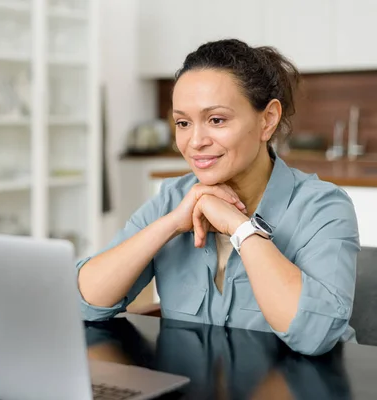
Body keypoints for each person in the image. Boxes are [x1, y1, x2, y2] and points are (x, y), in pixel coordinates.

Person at [76, 39, 360, 356]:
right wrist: (171, 224)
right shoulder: (173, 199)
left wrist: (240, 228)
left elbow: (315, 336)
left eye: (217, 120)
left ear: (267, 119)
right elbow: (83, 304)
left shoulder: (324, 207)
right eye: (183, 123)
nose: (195, 141)